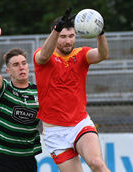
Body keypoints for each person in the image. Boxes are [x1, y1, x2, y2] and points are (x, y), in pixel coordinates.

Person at [33, 8, 111, 172]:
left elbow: (102, 54)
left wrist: (100, 32)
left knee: (97, 163)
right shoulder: (42, 55)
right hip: (55, 132)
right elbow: (44, 56)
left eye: (71, 36)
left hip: (80, 123)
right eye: (63, 37)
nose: (68, 41)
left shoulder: (82, 54)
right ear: (55, 35)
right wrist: (56, 31)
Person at [0, 12, 42, 172]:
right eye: (16, 65)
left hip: (27, 160)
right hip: (3, 159)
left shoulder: (39, 93)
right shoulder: (4, 89)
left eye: (24, 63)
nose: (21, 67)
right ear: (8, 71)